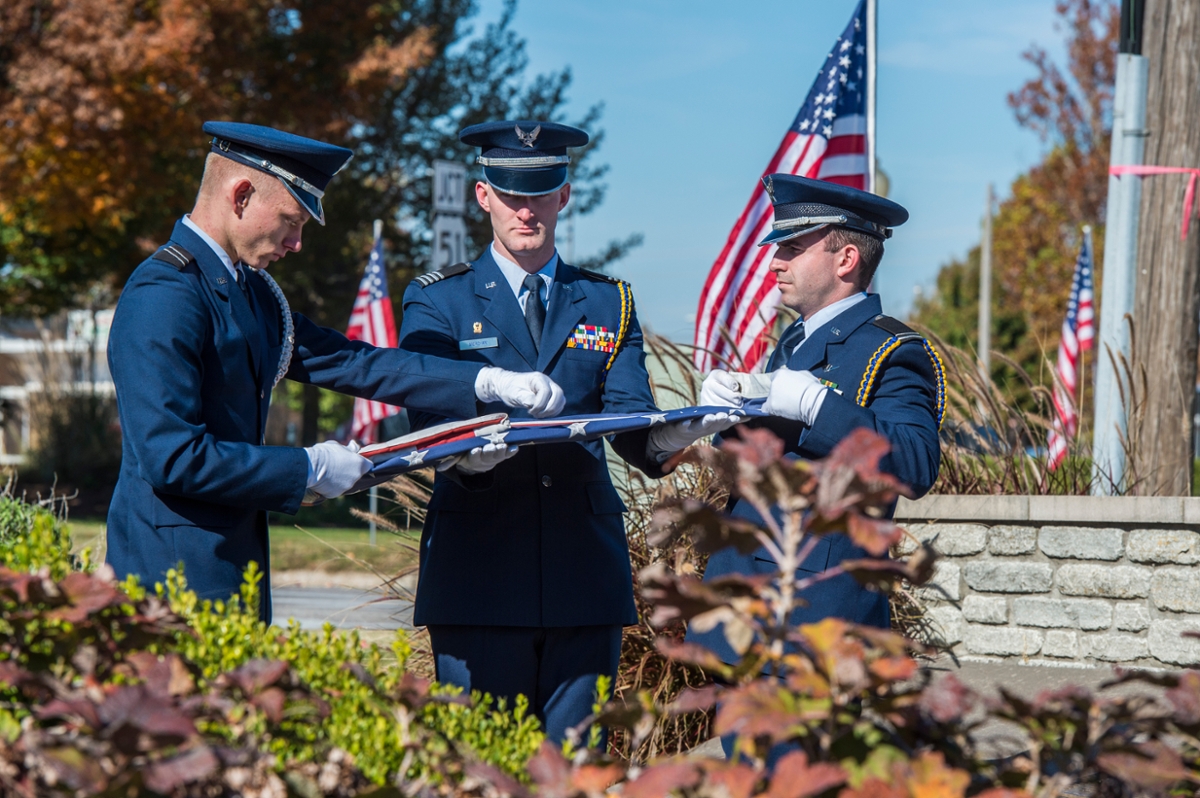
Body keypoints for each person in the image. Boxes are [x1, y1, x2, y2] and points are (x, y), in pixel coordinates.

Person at [106, 121, 567, 623]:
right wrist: (306, 468)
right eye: (292, 220)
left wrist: (482, 381)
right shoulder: (167, 294)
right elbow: (170, 456)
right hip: (167, 583)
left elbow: (352, 362)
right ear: (240, 195)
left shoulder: (248, 291)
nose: (297, 242)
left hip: (228, 572)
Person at [397, 120, 731, 743]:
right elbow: (430, 423)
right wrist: (472, 455)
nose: (526, 210)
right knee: (483, 768)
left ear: (564, 196)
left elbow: (630, 420)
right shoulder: (437, 300)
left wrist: (685, 429)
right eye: (510, 192)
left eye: (541, 192)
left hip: (583, 574)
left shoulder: (608, 301)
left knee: (579, 769)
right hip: (480, 572)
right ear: (482, 195)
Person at [689, 174, 945, 663]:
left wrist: (817, 406)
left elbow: (914, 465)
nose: (774, 262)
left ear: (846, 259)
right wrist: (721, 422)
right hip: (746, 612)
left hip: (816, 623)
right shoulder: (792, 343)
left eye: (792, 248)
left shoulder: (891, 349)